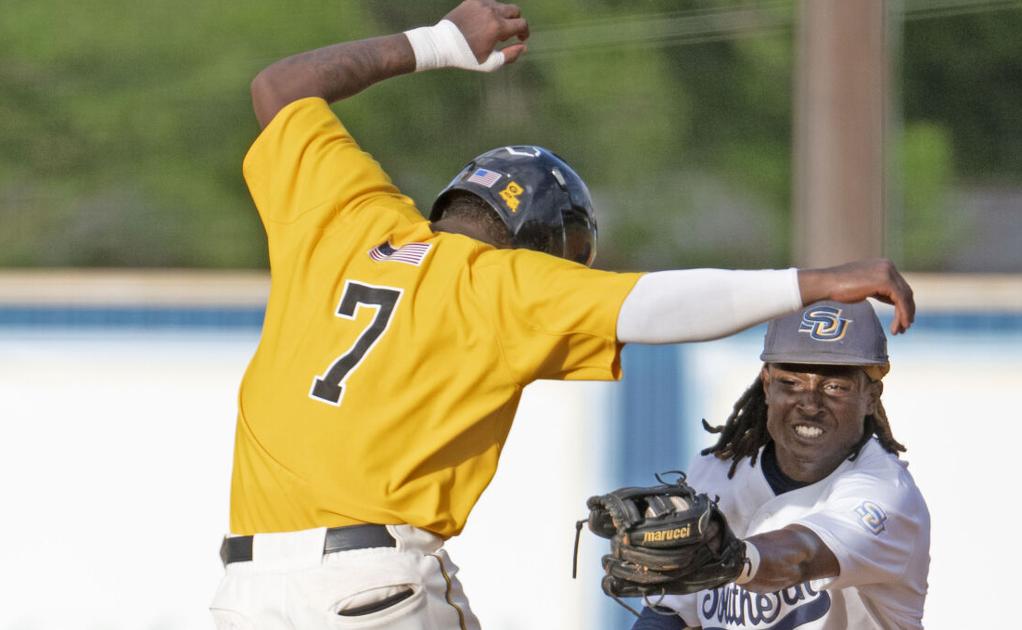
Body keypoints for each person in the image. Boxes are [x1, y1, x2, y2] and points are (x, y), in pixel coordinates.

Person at [210, 1, 917, 628]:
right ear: (544, 242)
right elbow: (662, 304)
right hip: (372, 589)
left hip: (244, 590)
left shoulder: (351, 224)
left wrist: (440, 42)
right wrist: (817, 280)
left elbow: (278, 87)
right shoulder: (507, 282)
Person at [630, 301, 931, 630]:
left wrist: (728, 554)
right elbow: (671, 613)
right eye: (791, 382)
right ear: (767, 384)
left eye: (835, 386)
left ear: (871, 397)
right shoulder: (715, 471)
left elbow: (800, 556)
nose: (811, 404)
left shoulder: (887, 493)